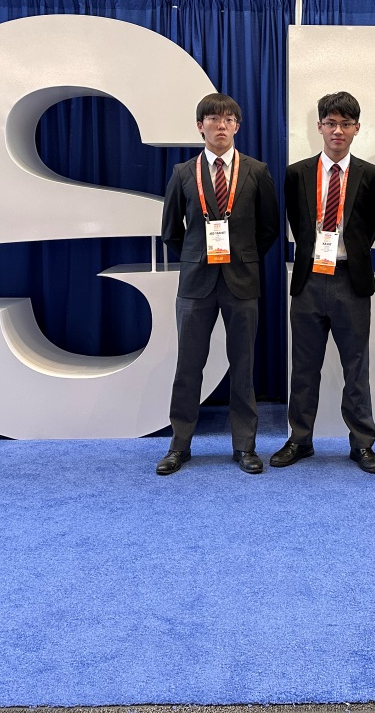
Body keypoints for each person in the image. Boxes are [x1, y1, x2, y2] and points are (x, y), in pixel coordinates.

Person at [156, 93, 280, 476]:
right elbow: (171, 232)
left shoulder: (256, 171)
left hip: (242, 281)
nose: (221, 125)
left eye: (228, 119)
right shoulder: (182, 173)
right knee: (188, 366)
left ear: (237, 126)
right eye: (213, 118)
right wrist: (198, 256)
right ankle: (179, 445)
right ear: (200, 126)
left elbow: (268, 228)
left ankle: (245, 446)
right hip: (196, 283)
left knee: (243, 366)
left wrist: (241, 256)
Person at [272, 92, 375, 474]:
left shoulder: (371, 175)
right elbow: (297, 224)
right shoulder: (297, 174)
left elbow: (370, 226)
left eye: (345, 124)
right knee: (304, 367)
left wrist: (346, 252)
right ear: (319, 126)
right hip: (309, 280)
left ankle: (363, 444)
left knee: (356, 367)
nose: (338, 130)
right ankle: (300, 439)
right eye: (331, 123)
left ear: (357, 128)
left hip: (350, 280)